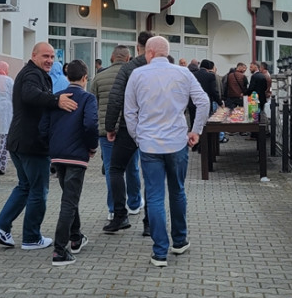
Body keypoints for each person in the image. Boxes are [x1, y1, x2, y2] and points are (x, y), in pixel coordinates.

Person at [124, 36, 209, 267]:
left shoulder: (138, 75)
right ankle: (179, 241)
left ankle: (159, 252)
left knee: (154, 196)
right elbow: (203, 101)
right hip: (177, 141)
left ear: (149, 52)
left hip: (150, 144)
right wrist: (196, 131)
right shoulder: (182, 73)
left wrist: (137, 137)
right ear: (166, 52)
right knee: (178, 191)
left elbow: (129, 112)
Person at [0, 43, 76, 250]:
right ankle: (31, 237)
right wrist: (56, 101)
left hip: (19, 141)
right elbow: (29, 94)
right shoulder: (31, 74)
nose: (50, 60)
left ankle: (1, 227)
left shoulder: (33, 73)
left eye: (53, 57)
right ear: (33, 55)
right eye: (45, 56)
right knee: (38, 190)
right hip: (31, 144)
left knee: (25, 186)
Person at [39, 60, 98, 266]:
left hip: (58, 154)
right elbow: (90, 124)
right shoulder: (88, 98)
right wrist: (91, 147)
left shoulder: (57, 99)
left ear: (67, 76)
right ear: (85, 77)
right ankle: (59, 250)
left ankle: (76, 237)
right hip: (76, 155)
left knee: (69, 197)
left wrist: (52, 146)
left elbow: (43, 127)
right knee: (69, 201)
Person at [101, 31, 153, 235]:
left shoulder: (129, 67)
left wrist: (110, 126)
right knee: (152, 173)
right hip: (156, 127)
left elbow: (115, 98)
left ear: (138, 48)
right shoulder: (169, 66)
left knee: (115, 169)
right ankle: (150, 222)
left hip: (128, 126)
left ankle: (120, 215)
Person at [90, 45, 141, 222]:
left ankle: (113, 208)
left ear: (112, 58)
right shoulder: (134, 74)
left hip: (106, 131)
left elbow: (93, 104)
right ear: (128, 58)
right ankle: (134, 203)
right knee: (132, 168)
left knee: (113, 170)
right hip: (130, 129)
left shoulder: (99, 77)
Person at [189, 58, 223, 147]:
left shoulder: (193, 75)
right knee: (205, 124)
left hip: (193, 103)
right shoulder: (210, 76)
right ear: (209, 67)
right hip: (205, 104)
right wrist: (220, 102)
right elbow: (213, 91)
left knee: (193, 123)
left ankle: (194, 144)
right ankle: (204, 145)